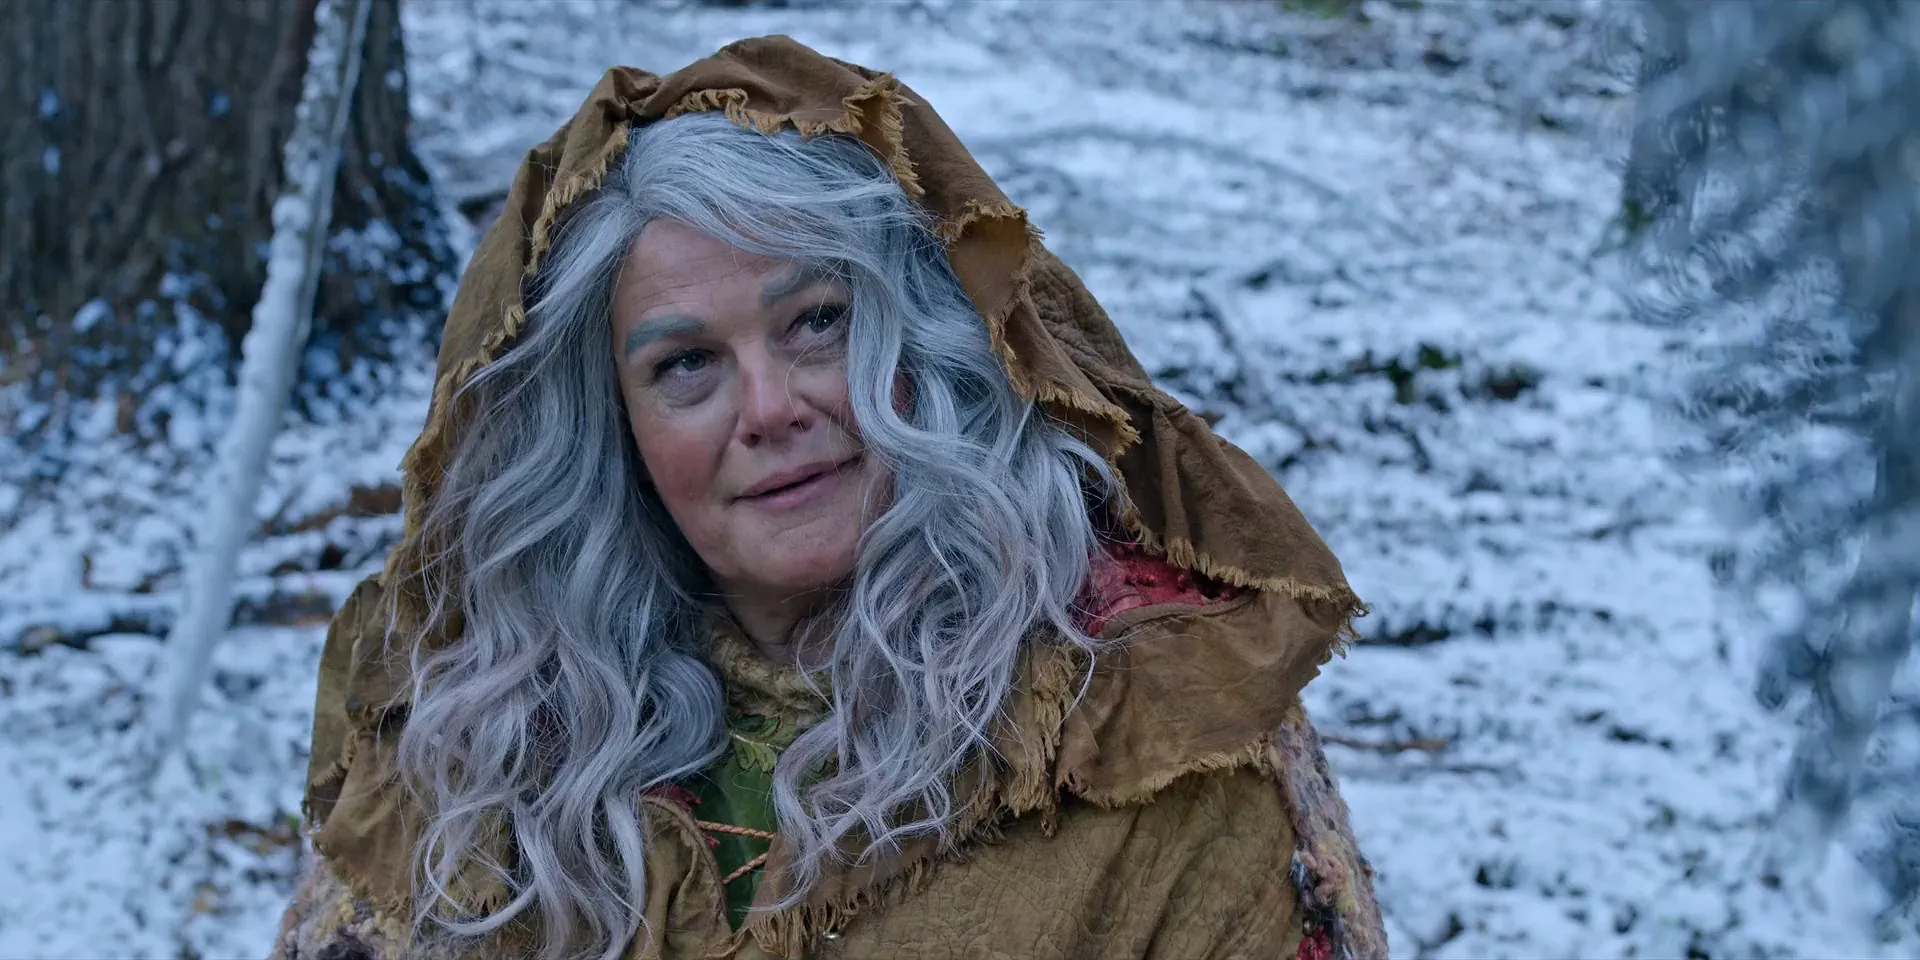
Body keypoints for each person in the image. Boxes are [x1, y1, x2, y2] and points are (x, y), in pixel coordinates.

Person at [273, 36, 1385, 960]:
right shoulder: (482, 750)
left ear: (930, 344)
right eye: (685, 365)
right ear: (613, 433)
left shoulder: (1144, 724)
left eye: (817, 323)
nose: (771, 408)